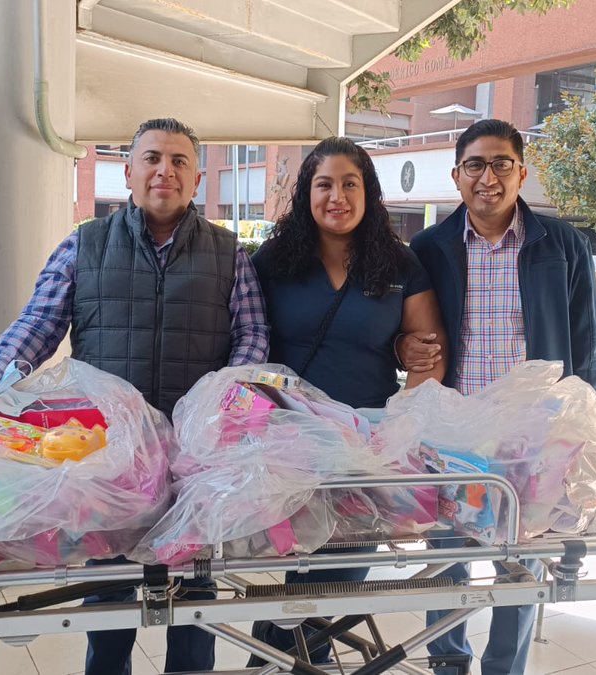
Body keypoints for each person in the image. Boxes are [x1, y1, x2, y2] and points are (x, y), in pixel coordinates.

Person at [0, 118, 269, 675]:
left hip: (192, 456)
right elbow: (39, 323)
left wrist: (226, 399)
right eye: (152, 158)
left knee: (193, 601)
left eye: (179, 161)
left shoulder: (230, 254)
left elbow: (251, 334)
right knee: (108, 599)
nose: (164, 171)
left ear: (197, 179)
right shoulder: (84, 244)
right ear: (128, 172)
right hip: (105, 457)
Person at [402, 119, 596, 675]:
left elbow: (587, 348)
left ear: (521, 170)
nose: (487, 177)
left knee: (521, 562)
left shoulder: (561, 246)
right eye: (474, 165)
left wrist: (577, 431)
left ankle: (503, 669)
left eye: (500, 164)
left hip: (531, 437)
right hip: (455, 435)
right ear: (456, 175)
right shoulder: (429, 248)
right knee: (448, 557)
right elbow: (407, 333)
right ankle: (448, 661)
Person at [247, 136, 447, 663]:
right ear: (307, 194)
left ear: (369, 192)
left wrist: (396, 431)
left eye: (350, 183)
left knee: (340, 571)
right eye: (324, 184)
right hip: (292, 441)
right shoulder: (274, 259)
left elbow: (429, 354)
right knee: (302, 569)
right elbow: (246, 340)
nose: (337, 196)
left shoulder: (399, 264)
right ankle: (274, 661)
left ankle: (269, 661)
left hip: (366, 446)